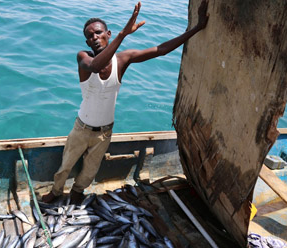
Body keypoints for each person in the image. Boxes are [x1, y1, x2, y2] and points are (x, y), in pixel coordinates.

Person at [42, 1, 209, 204]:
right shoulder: (83, 57)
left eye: (98, 33)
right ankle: (57, 191)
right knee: (66, 165)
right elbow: (96, 66)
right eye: (90, 36)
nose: (94, 38)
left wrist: (197, 28)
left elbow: (161, 49)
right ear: (87, 43)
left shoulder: (123, 59)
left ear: (108, 34)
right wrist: (123, 35)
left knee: (91, 169)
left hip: (105, 131)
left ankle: (78, 191)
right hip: (82, 128)